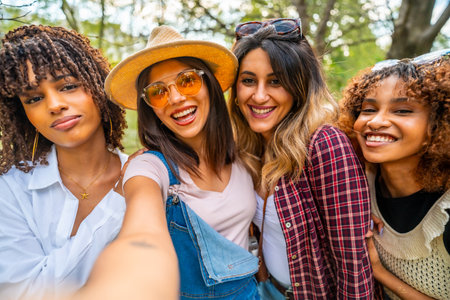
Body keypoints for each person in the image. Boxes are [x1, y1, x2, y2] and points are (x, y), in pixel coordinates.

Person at [104, 25, 259, 299]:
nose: (175, 98)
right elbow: (142, 231)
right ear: (150, 107)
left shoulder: (243, 157)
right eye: (158, 92)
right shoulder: (149, 167)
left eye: (187, 81)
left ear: (209, 85)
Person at [229, 18, 374, 299]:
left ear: (300, 87)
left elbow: (354, 267)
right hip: (269, 290)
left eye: (276, 81)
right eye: (248, 80)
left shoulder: (324, 144)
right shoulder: (247, 150)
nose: (259, 95)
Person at [0, 25, 128, 299]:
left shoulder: (147, 175)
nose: (55, 105)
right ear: (24, 114)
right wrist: (117, 201)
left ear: (97, 87)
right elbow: (22, 293)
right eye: (34, 98)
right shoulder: (9, 190)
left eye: (68, 86)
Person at [339, 49, 450, 300]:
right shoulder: (357, 181)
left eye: (402, 111)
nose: (376, 122)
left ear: (439, 123)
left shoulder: (446, 211)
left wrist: (378, 271)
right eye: (368, 109)